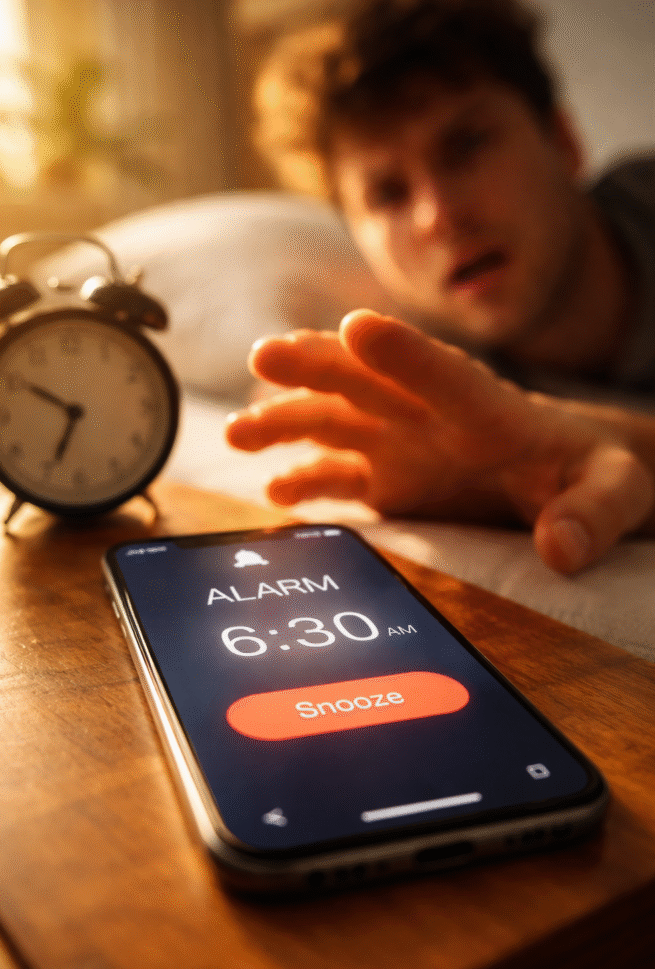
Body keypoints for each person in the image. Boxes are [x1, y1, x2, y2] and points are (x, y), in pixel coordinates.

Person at [226, 0, 655, 574]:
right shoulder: (438, 391)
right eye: (387, 194)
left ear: (564, 141)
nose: (437, 217)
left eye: (467, 146)